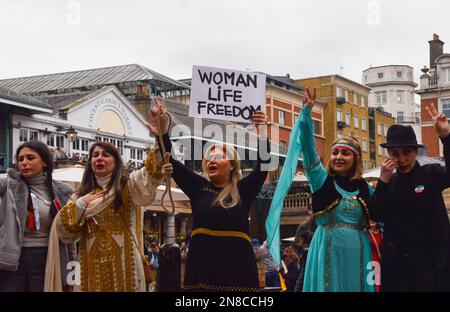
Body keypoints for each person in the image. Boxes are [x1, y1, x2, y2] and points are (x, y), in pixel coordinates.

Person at [149, 98, 271, 292]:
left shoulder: (243, 190)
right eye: (209, 158)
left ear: (232, 165)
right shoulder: (198, 188)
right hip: (202, 268)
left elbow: (263, 167)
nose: (212, 160)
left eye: (219, 156)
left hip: (237, 269)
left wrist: (262, 130)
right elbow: (169, 158)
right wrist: (163, 131)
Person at [47, 141, 172, 291]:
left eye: (106, 155)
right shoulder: (80, 195)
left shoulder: (128, 186)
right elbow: (64, 232)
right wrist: (80, 204)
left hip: (126, 263)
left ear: (116, 162)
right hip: (90, 263)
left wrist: (159, 138)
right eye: (95, 155)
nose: (99, 158)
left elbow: (147, 174)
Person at [299, 88, 375, 292]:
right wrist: (306, 114)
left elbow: (384, 214)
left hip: (359, 253)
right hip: (326, 252)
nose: (338, 157)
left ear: (356, 159)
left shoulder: (366, 188)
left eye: (345, 153)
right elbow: (308, 148)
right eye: (334, 152)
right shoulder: (321, 181)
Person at [370, 103, 450, 292]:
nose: (402, 159)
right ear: (388, 154)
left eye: (407, 152)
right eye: (395, 154)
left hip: (429, 266)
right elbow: (376, 214)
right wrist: (382, 182)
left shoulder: (431, 173)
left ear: (415, 152)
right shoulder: (387, 183)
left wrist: (446, 137)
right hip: (397, 268)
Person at [0, 141, 76, 292]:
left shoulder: (63, 191)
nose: (24, 163)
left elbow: (70, 236)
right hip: (12, 260)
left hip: (48, 258)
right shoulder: (9, 183)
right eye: (20, 159)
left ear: (45, 163)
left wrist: (72, 275)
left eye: (30, 158)